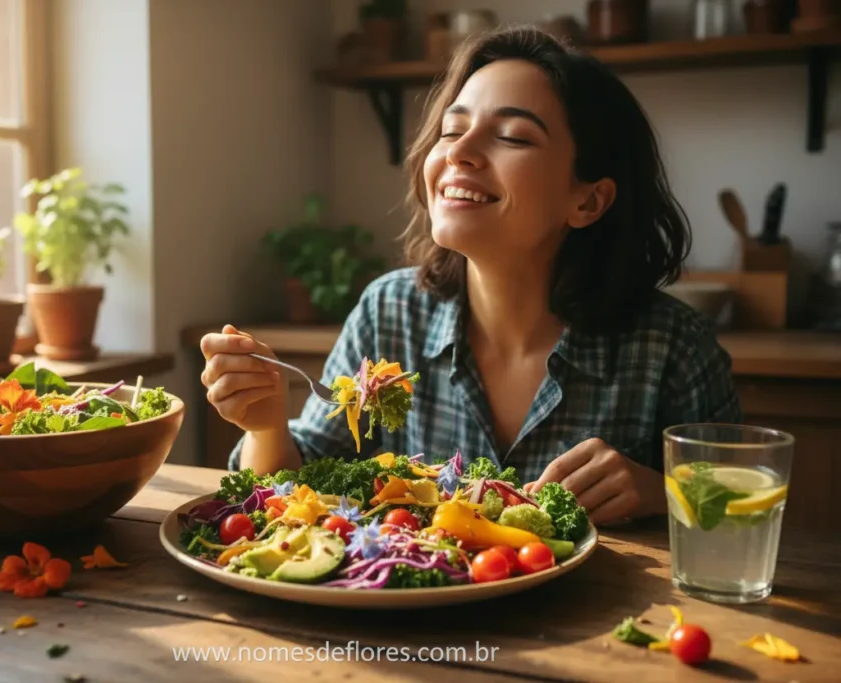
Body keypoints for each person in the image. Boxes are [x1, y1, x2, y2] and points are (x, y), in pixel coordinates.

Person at [199, 26, 742, 526]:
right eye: (452, 129)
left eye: (512, 137)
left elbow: (744, 515)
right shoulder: (388, 314)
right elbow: (291, 491)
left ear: (589, 198)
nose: (458, 151)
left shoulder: (675, 349)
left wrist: (664, 491)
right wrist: (266, 424)